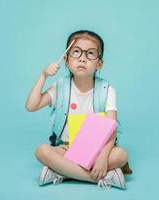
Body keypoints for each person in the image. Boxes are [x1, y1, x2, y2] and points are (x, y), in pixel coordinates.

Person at [25, 30, 132, 189]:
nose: (82, 58)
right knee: (42, 151)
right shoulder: (60, 87)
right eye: (76, 52)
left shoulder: (107, 89)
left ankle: (60, 172)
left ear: (99, 63)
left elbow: (111, 126)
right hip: (66, 148)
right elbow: (31, 106)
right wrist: (43, 75)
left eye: (90, 53)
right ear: (67, 60)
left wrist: (102, 156)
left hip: (97, 150)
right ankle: (98, 178)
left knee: (121, 155)